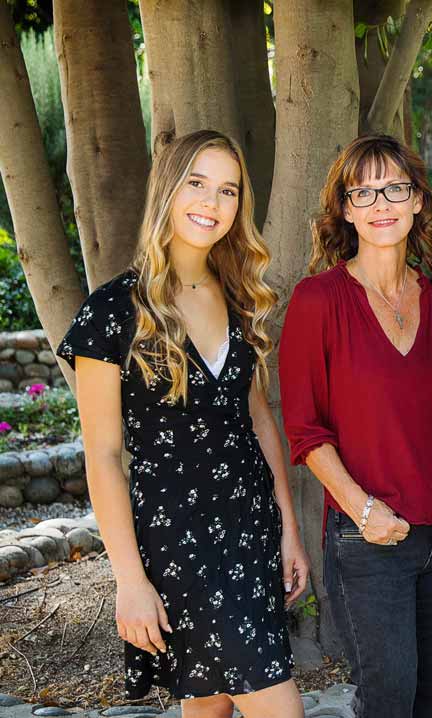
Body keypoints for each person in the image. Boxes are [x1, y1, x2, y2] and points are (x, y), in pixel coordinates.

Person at [57, 130, 309, 717]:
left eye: (227, 190)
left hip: (249, 530)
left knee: (210, 705)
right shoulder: (113, 310)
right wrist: (129, 581)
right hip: (175, 540)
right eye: (196, 183)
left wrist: (289, 529)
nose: (211, 203)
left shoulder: (242, 297)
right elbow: (102, 456)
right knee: (279, 707)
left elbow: (257, 420)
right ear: (167, 189)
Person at [278, 134, 432, 718]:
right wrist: (364, 511)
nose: (380, 202)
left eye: (395, 187)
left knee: (423, 696)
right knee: (387, 699)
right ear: (344, 208)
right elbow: (305, 430)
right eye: (362, 192)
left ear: (418, 199)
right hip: (366, 540)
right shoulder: (319, 300)